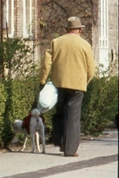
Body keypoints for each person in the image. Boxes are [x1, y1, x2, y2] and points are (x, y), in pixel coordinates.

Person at [40, 16, 95, 157]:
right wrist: (84, 82)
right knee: (73, 117)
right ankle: (70, 150)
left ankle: (60, 142)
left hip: (59, 83)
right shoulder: (85, 45)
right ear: (80, 30)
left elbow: (46, 64)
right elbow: (91, 70)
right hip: (78, 85)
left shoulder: (56, 42)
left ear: (66, 29)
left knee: (59, 114)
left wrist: (43, 81)